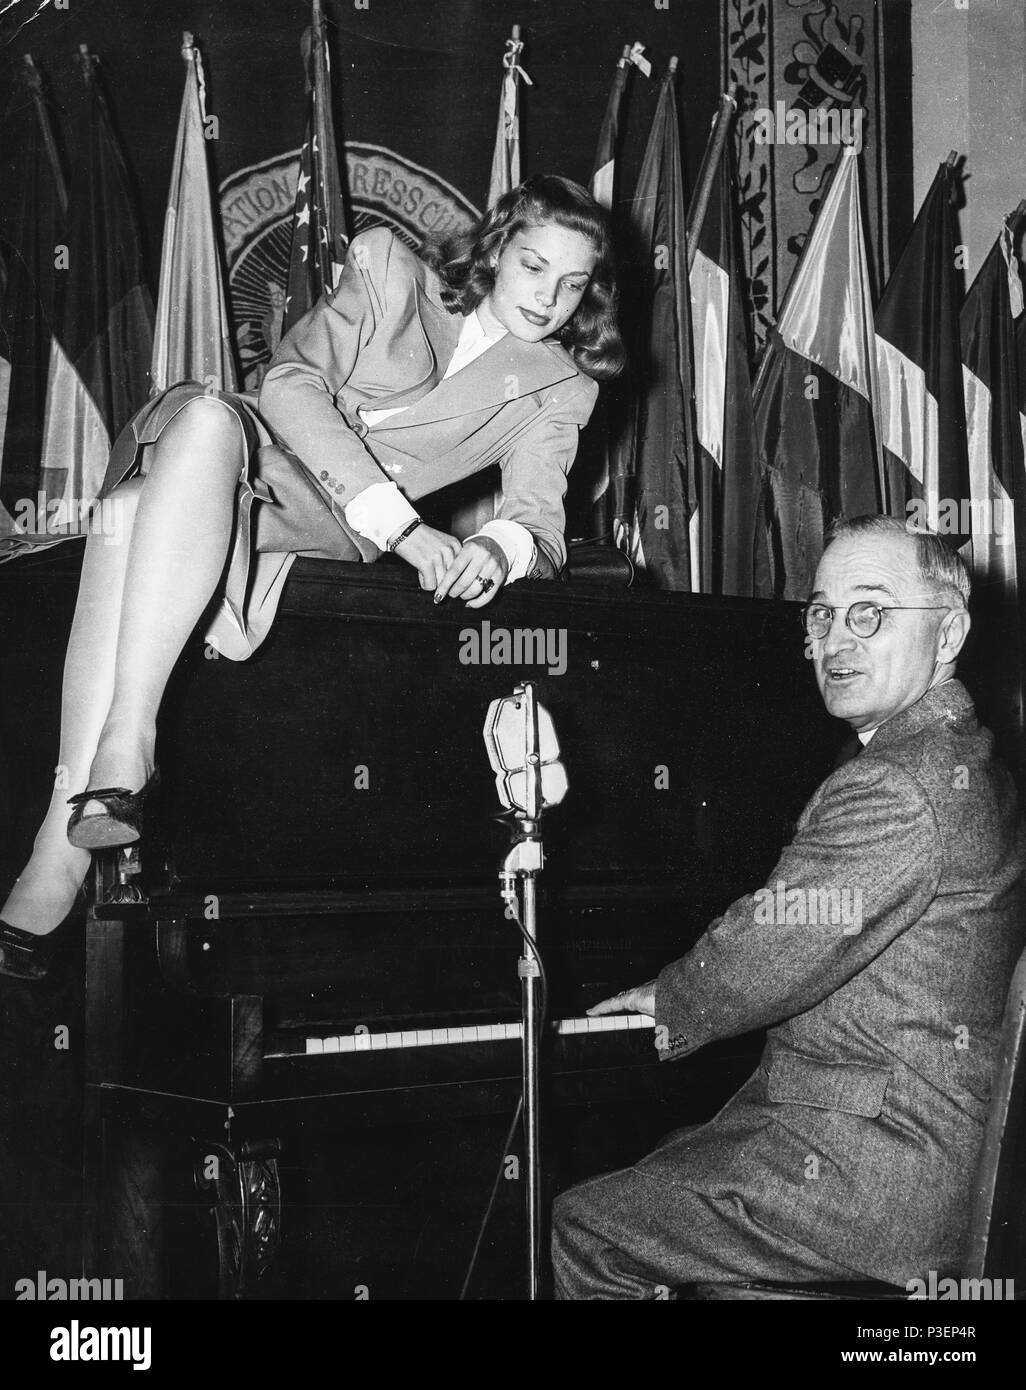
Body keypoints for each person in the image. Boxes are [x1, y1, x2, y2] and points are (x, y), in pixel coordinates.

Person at [0, 173, 623, 980]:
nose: (550, 298)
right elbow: (289, 384)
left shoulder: (560, 388)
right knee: (204, 419)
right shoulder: (389, 267)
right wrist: (403, 527)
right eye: (535, 267)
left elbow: (541, 522)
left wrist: (494, 548)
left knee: (129, 508)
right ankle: (125, 750)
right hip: (250, 450)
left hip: (314, 521)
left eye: (572, 284)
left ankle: (67, 830)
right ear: (499, 249)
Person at [552, 515, 1026, 1299]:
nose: (837, 640)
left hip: (881, 1174)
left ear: (947, 632)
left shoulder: (899, 784)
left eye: (870, 612)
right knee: (665, 1162)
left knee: (586, 1226)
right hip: (912, 1147)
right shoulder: (965, 761)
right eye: (822, 613)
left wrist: (673, 996)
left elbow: (774, 941)